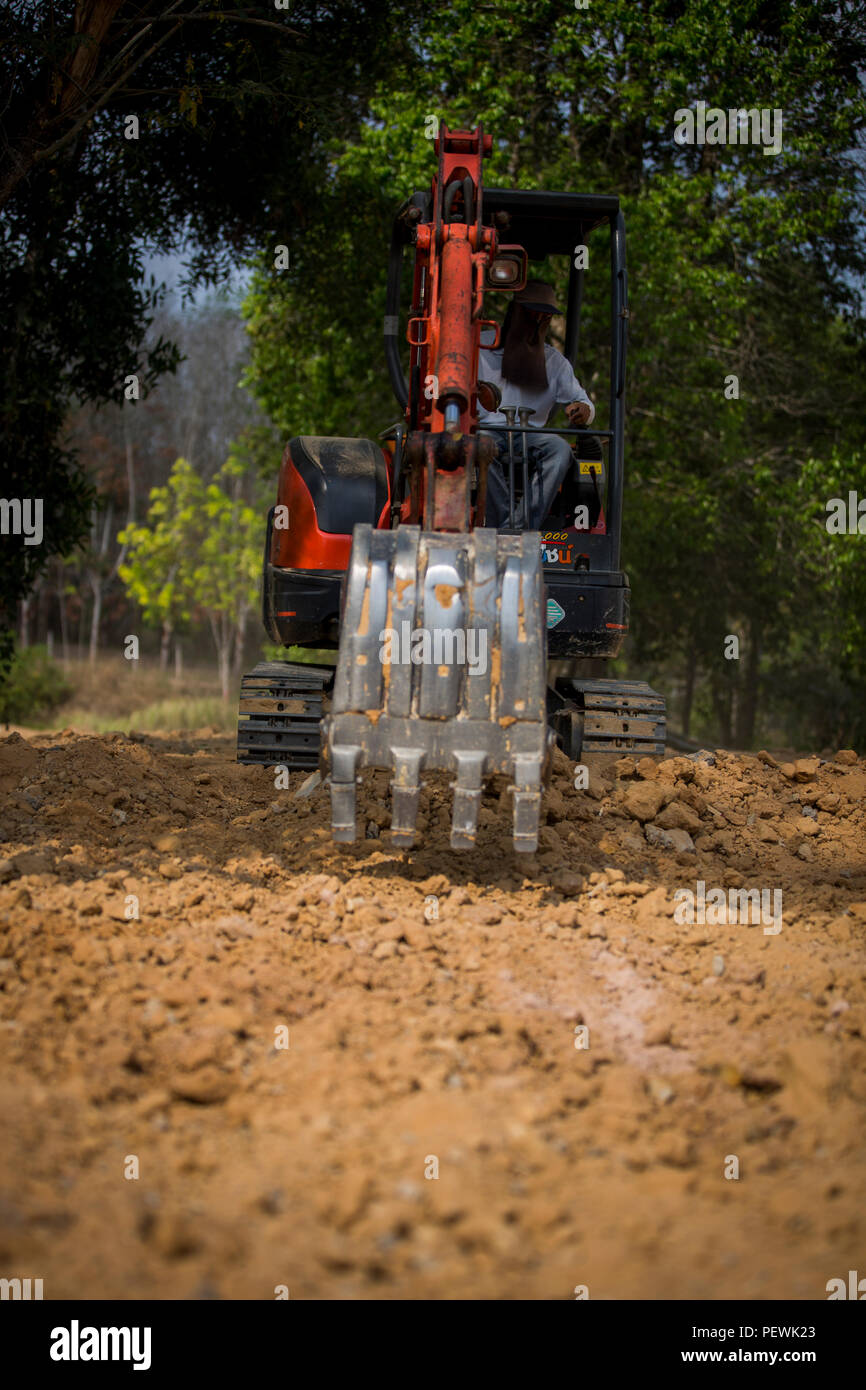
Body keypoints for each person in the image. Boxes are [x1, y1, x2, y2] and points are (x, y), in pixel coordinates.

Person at [478, 279, 595, 529]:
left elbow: (584, 403)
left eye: (545, 317)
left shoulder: (554, 362)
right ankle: (504, 523)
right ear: (516, 312)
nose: (538, 322)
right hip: (485, 431)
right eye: (532, 314)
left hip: (531, 435)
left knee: (560, 449)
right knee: (478, 444)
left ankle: (516, 528)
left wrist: (582, 410)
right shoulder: (480, 345)